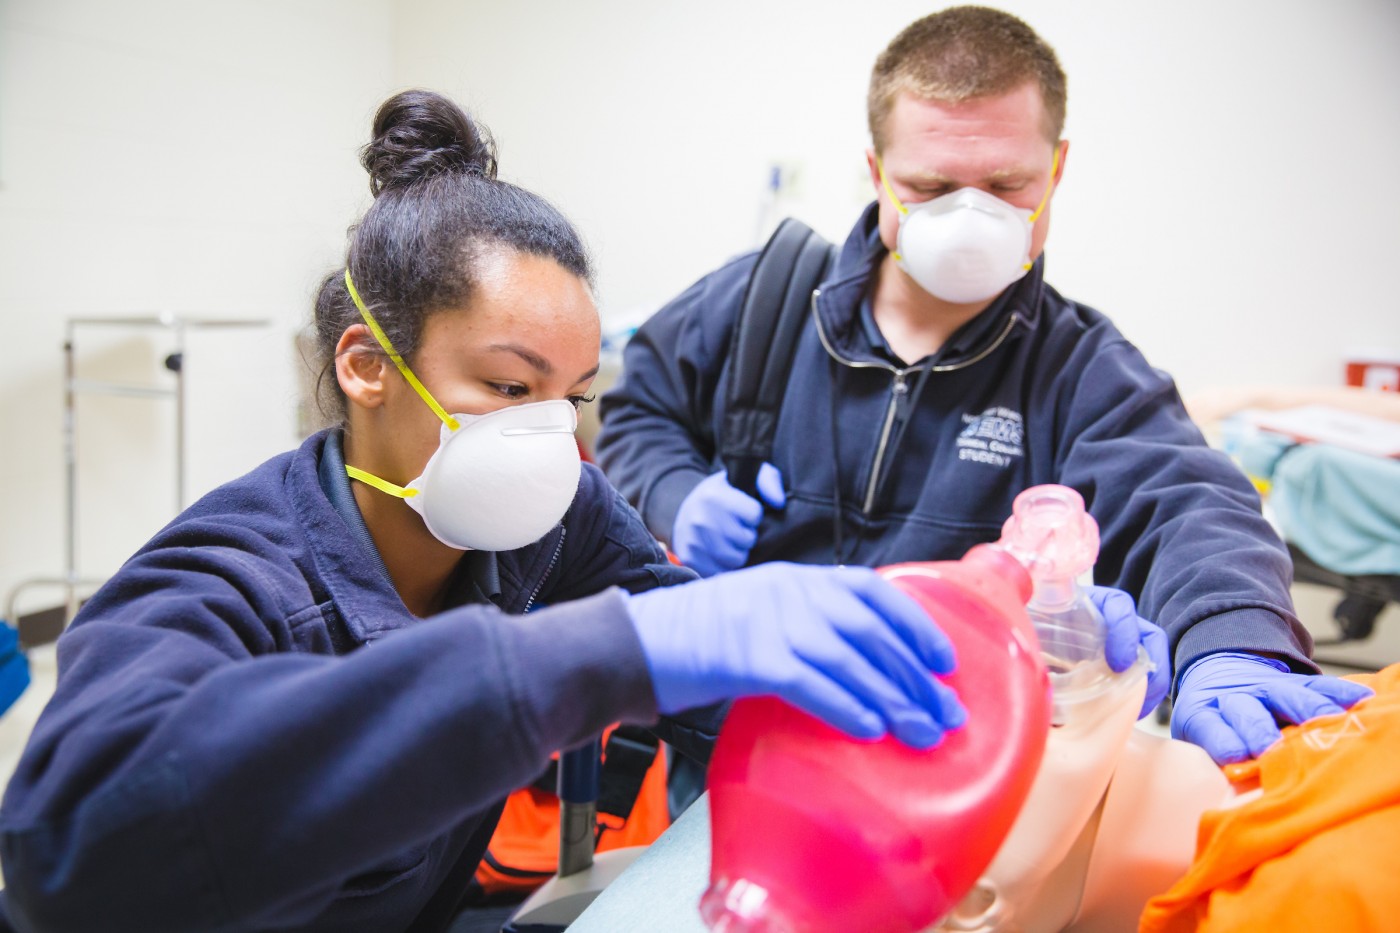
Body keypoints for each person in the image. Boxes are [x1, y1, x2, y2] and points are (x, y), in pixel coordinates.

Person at [0, 90, 968, 933]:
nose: (552, 437)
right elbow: (72, 855)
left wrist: (975, 658)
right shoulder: (230, 577)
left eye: (572, 397)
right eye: (509, 387)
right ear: (365, 366)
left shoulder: (554, 518)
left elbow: (719, 682)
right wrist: (600, 656)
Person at [594, 5, 1372, 766]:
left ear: (1057, 169)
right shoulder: (762, 300)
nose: (970, 219)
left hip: (941, 765)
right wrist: (674, 491)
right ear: (877, 173)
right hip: (734, 749)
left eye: (1006, 185)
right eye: (932, 189)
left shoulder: (1081, 368)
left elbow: (1191, 505)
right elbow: (641, 406)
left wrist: (1232, 639)